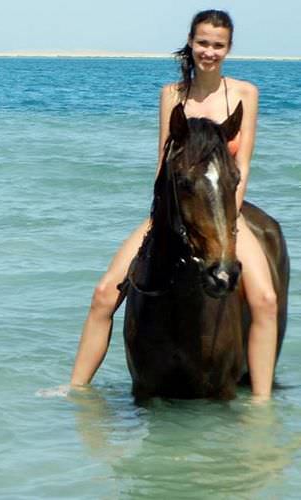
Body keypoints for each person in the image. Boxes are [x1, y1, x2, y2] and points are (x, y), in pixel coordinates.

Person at [70, 10, 277, 399]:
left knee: (264, 300)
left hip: (224, 210)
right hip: (175, 209)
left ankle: (262, 406)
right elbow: (162, 163)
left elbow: (242, 165)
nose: (209, 52)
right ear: (191, 42)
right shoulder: (172, 94)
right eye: (203, 43)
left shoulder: (246, 93)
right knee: (102, 295)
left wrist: (227, 221)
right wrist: (160, 219)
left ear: (228, 49)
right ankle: (75, 390)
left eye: (218, 45)